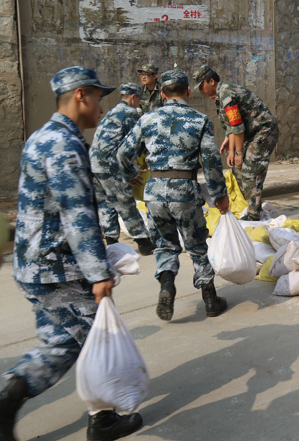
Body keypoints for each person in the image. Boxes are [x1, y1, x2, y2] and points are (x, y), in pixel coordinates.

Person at [0, 66, 142, 441]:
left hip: (34, 264)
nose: (101, 107)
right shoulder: (65, 145)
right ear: (81, 95)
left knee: (69, 338)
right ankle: (12, 397)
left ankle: (102, 418)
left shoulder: (42, 137)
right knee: (82, 340)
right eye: (98, 98)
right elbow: (76, 213)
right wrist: (99, 274)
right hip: (55, 269)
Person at [117, 69, 230, 321]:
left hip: (154, 193)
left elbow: (122, 154)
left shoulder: (146, 119)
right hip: (185, 192)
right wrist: (219, 194)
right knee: (197, 245)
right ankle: (210, 300)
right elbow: (211, 161)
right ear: (188, 91)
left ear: (162, 93)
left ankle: (167, 287)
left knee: (165, 245)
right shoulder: (200, 120)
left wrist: (132, 173)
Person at [193, 65, 279, 221]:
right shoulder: (220, 96)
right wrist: (229, 146)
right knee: (237, 170)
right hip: (249, 133)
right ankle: (248, 206)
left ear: (211, 81)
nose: (200, 90)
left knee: (250, 169)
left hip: (263, 131)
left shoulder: (226, 94)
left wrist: (238, 152)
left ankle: (253, 214)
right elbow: (232, 126)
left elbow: (237, 127)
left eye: (201, 85)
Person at [90, 82, 155, 255]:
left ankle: (111, 240)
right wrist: (130, 172)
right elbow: (131, 144)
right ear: (133, 97)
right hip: (110, 164)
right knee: (124, 202)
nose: (139, 102)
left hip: (94, 164)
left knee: (106, 202)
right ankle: (144, 242)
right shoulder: (130, 113)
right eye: (139, 99)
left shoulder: (112, 112)